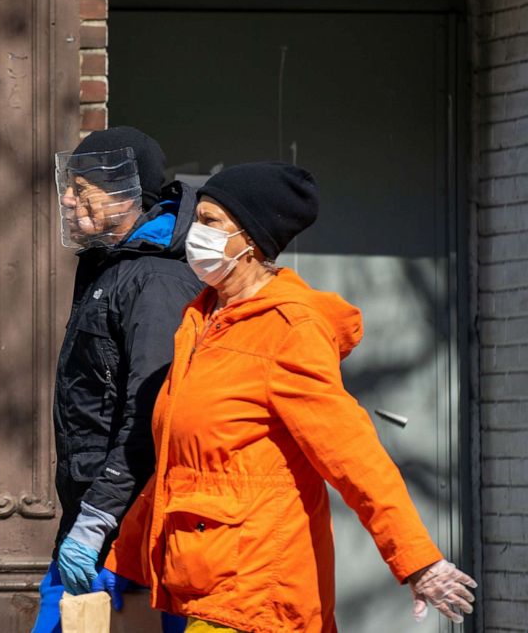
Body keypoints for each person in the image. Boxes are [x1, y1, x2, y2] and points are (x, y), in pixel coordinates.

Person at [98, 162, 477, 632]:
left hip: (259, 594)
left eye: (211, 221)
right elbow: (184, 464)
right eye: (197, 219)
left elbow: (353, 455)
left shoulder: (287, 330)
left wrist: (418, 560)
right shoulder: (201, 321)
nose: (195, 232)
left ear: (251, 241)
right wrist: (122, 555)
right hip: (209, 582)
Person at [31, 127, 201, 633]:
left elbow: (150, 413)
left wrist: (98, 519)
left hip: (129, 529)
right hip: (97, 519)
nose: (67, 198)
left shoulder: (155, 280)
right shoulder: (109, 268)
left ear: (129, 193)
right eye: (70, 186)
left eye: (83, 188)